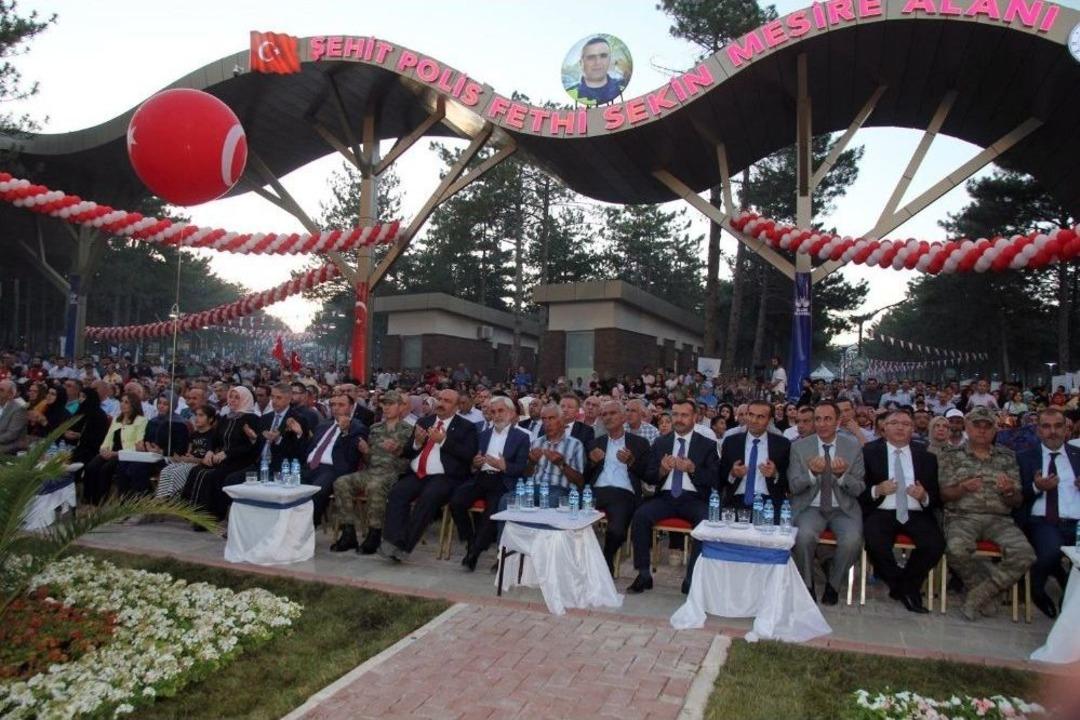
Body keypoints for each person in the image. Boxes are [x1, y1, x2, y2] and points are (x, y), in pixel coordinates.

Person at [939, 406, 1035, 621]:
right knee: (956, 548)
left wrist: (1009, 491)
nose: (982, 430)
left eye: (987, 426)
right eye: (977, 426)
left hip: (1000, 519)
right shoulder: (951, 456)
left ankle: (981, 594)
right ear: (967, 428)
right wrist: (962, 488)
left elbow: (1017, 500)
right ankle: (981, 588)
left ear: (994, 430)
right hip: (962, 516)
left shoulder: (1007, 457)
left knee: (1025, 554)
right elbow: (944, 494)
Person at [626, 398, 720, 595]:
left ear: (695, 417)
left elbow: (715, 479)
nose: (679, 419)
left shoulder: (707, 445)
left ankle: (691, 577)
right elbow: (649, 475)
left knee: (706, 521)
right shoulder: (661, 442)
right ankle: (643, 574)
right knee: (640, 515)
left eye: (684, 415)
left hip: (694, 498)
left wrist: (692, 469)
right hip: (665, 497)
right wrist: (661, 470)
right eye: (675, 414)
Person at [860, 410, 944, 613]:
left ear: (913, 429)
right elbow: (857, 491)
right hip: (882, 510)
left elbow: (936, 498)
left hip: (915, 511)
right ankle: (906, 588)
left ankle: (904, 586)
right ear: (884, 427)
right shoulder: (869, 453)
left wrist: (923, 496)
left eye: (906, 424)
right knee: (875, 543)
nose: (900, 427)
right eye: (894, 423)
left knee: (935, 545)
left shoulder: (927, 458)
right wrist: (877, 490)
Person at [380, 389, 479, 562]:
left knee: (428, 498)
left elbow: (468, 454)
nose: (441, 403)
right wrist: (417, 442)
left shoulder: (467, 427)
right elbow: (409, 451)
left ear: (456, 407)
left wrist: (444, 441)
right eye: (439, 399)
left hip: (445, 476)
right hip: (418, 473)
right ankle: (392, 541)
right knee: (397, 493)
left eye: (447, 401)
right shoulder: (424, 421)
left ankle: (404, 546)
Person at [788, 401, 866, 604]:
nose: (822, 424)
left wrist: (842, 477)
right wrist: (811, 474)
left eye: (828, 419)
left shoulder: (853, 447)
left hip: (843, 508)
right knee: (803, 536)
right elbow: (795, 487)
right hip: (810, 507)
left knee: (852, 540)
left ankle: (834, 584)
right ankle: (807, 584)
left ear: (838, 422)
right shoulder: (799, 447)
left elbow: (858, 488)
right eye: (818, 419)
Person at [450, 395, 531, 570]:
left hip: (502, 480)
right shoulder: (483, 434)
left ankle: (474, 554)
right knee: (456, 501)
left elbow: (522, 469)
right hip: (481, 477)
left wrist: (504, 465)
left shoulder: (521, 437)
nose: (497, 415)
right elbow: (474, 461)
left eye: (501, 411)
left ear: (511, 413)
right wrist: (475, 463)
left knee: (490, 513)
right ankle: (471, 541)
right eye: (493, 412)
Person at [331, 390, 414, 554]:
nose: (386, 408)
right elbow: (369, 460)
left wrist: (397, 450)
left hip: (394, 473)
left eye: (391, 404)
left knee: (375, 486)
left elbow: (409, 459)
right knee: (341, 482)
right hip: (372, 471)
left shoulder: (409, 430)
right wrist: (366, 451)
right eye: (384, 404)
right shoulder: (375, 428)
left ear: (400, 407)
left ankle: (374, 534)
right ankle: (348, 533)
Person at [1017, 408, 1080, 618]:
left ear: (1066, 429)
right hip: (1043, 520)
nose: (1052, 431)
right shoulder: (1025, 458)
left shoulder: (1077, 456)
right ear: (1038, 431)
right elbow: (1016, 496)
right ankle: (1036, 589)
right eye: (1046, 426)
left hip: (1076, 521)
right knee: (1051, 551)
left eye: (1058, 426)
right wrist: (1037, 487)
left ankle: (1068, 601)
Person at [585, 400, 650, 574]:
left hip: (623, 493)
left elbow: (648, 474)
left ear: (623, 417)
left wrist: (631, 462)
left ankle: (607, 556)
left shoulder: (639, 443)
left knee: (616, 530)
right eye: (604, 414)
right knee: (571, 518)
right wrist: (591, 462)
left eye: (612, 413)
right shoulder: (595, 443)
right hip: (595, 491)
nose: (607, 417)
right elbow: (584, 476)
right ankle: (579, 562)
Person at [181, 387, 263, 522]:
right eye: (231, 397)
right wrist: (210, 451)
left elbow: (251, 447)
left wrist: (227, 453)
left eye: (237, 397)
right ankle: (190, 512)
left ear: (245, 399)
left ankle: (209, 517)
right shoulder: (226, 418)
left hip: (241, 461)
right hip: (221, 459)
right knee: (197, 471)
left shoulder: (252, 419)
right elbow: (215, 439)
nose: (233, 400)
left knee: (212, 476)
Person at [302, 392, 367, 527]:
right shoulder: (323, 425)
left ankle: (308, 527)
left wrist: (345, 432)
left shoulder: (357, 427)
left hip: (332, 469)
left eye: (341, 405)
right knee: (289, 490)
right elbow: (310, 448)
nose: (336, 408)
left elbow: (352, 456)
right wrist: (299, 434)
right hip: (309, 467)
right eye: (333, 405)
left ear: (351, 407)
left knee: (317, 492)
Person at [718, 400, 791, 513]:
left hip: (769, 503)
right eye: (750, 415)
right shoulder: (731, 442)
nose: (754, 420)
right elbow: (719, 477)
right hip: (736, 500)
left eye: (760, 417)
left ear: (770, 420)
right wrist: (732, 474)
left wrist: (775, 474)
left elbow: (789, 482)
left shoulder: (782, 445)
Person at [83, 392, 147, 505]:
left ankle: (100, 502)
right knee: (90, 467)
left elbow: (137, 444)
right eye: (121, 401)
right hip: (110, 451)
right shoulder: (116, 419)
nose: (122, 404)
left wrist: (115, 453)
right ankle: (89, 501)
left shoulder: (141, 420)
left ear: (134, 404)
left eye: (126, 402)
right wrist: (103, 449)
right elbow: (108, 438)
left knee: (105, 469)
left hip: (123, 454)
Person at [156, 406, 218, 499]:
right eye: (196, 415)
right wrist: (181, 458)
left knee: (176, 472)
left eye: (201, 415)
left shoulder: (214, 435)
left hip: (201, 465)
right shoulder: (194, 434)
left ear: (210, 419)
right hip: (189, 462)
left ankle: (171, 499)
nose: (197, 418)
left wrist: (190, 459)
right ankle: (162, 498)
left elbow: (209, 460)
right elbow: (189, 453)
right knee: (166, 470)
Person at [565, 36, 622, 105]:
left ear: (610, 59)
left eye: (603, 56)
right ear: (581, 63)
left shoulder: (621, 85)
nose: (598, 62)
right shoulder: (572, 91)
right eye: (591, 57)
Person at [0, 379, 29, 454]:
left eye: (1, 390)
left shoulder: (19, 409)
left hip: (11, 445)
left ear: (10, 395)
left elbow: (11, 435)